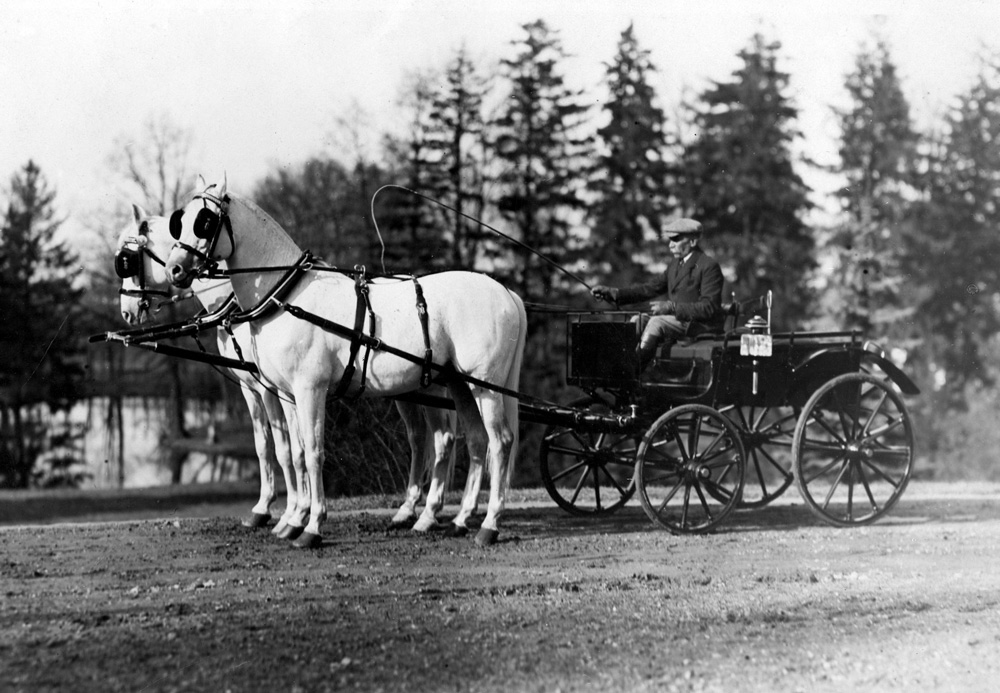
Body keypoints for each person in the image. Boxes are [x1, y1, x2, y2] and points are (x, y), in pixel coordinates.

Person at [592, 218, 724, 371]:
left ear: (693, 242)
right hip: (678, 322)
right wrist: (615, 293)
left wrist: (672, 307)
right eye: (670, 240)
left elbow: (709, 308)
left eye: (676, 239)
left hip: (698, 325)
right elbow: (649, 288)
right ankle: (617, 366)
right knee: (637, 319)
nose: (670, 245)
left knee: (656, 322)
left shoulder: (708, 266)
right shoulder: (675, 265)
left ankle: (632, 371)